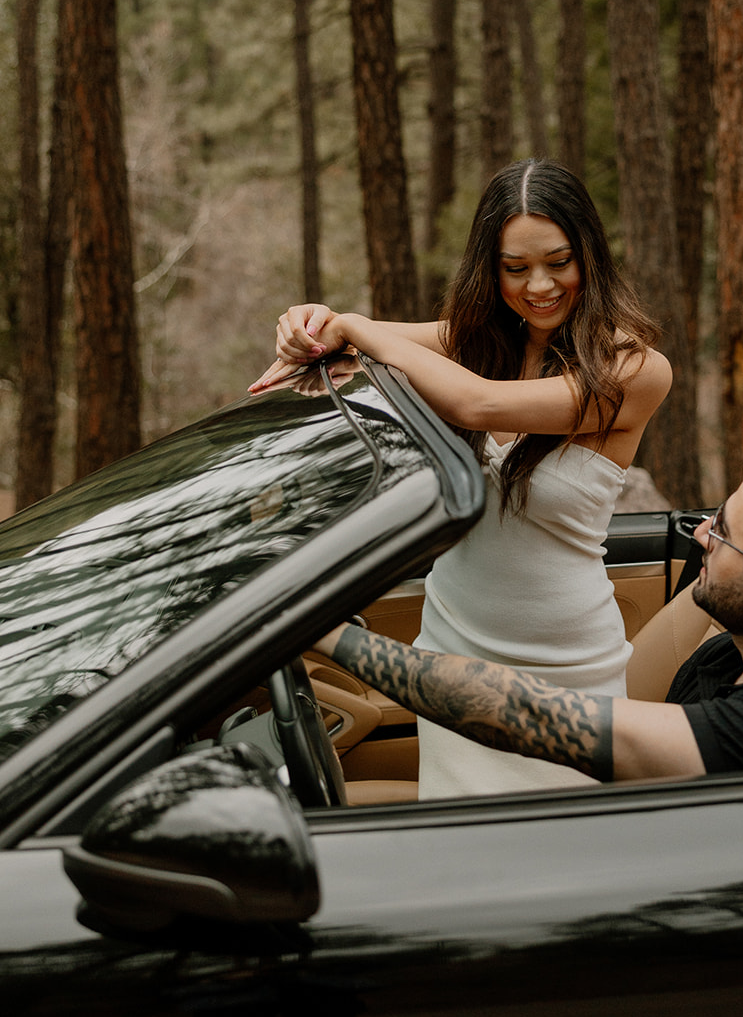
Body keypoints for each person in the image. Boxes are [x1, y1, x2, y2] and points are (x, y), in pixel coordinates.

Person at [250, 158, 672, 797]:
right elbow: (336, 339)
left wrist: (359, 328)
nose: (539, 287)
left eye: (559, 262)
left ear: (590, 255)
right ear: (490, 266)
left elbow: (480, 405)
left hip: (568, 680)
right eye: (515, 268)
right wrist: (308, 326)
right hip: (453, 659)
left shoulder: (635, 370)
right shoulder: (474, 342)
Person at [309, 456, 743, 785]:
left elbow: (527, 714)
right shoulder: (734, 654)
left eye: (719, 534)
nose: (700, 535)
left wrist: (332, 637)